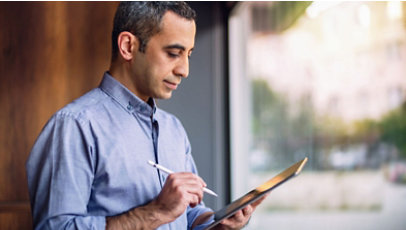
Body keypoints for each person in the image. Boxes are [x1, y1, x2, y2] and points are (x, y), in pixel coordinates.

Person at [26, 2, 265, 229]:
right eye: (173, 53)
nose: (184, 70)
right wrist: (156, 212)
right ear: (128, 46)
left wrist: (217, 222)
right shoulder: (74, 126)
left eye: (188, 55)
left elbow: (187, 215)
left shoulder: (174, 129)